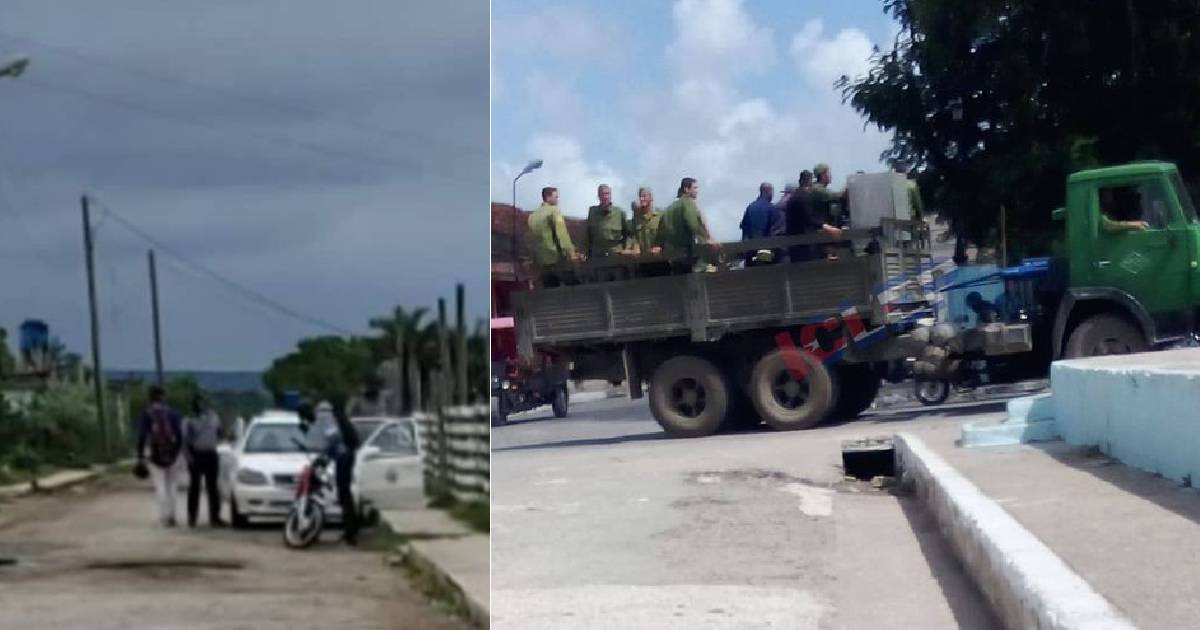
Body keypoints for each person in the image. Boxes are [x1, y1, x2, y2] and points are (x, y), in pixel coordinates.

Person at [304, 400, 363, 545]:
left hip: (344, 457)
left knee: (344, 493)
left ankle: (351, 533)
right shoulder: (336, 417)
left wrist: (323, 459)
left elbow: (332, 440)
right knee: (344, 494)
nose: (318, 415)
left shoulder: (328, 419)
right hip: (346, 456)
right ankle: (350, 530)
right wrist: (325, 458)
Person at [136, 385, 184, 527]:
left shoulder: (147, 414)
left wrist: (140, 456)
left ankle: (163, 518)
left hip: (155, 455)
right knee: (173, 487)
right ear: (164, 397)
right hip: (174, 455)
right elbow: (180, 435)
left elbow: (142, 436)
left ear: (150, 397)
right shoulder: (173, 413)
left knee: (160, 487)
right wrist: (177, 452)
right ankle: (173, 516)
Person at [656, 177, 720, 273]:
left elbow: (661, 232)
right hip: (688, 254)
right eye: (695, 188)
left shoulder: (668, 209)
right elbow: (693, 224)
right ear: (686, 189)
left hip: (674, 257)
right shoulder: (688, 203)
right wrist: (707, 239)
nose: (697, 191)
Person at [182, 394, 225, 528]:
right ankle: (192, 518)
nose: (202, 406)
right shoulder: (188, 420)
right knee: (194, 487)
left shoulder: (214, 417)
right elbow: (184, 441)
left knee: (213, 488)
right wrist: (189, 458)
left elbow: (220, 433)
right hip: (196, 455)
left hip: (211, 454)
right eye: (199, 403)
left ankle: (215, 518)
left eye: (204, 403)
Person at [786, 168, 843, 262]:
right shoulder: (802, 197)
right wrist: (828, 227)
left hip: (796, 244)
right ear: (809, 181)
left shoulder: (796, 195)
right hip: (802, 244)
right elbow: (809, 218)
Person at [528, 186, 579, 287]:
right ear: (548, 197)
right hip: (557, 259)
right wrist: (571, 254)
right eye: (556, 197)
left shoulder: (532, 216)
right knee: (574, 287)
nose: (558, 200)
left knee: (551, 292)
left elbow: (532, 240)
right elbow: (562, 235)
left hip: (542, 262)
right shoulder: (553, 211)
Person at [740, 183, 785, 266]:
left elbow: (744, 230)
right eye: (771, 192)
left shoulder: (750, 208)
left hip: (751, 251)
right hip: (767, 252)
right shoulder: (772, 208)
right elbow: (775, 232)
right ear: (767, 192)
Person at [584, 184, 631, 258]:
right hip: (597, 256)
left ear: (610, 195)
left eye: (607, 194)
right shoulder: (592, 212)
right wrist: (585, 252)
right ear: (598, 196)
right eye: (602, 194)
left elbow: (628, 234)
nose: (605, 197)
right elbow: (588, 235)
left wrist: (626, 248)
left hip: (616, 255)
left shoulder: (619, 212)